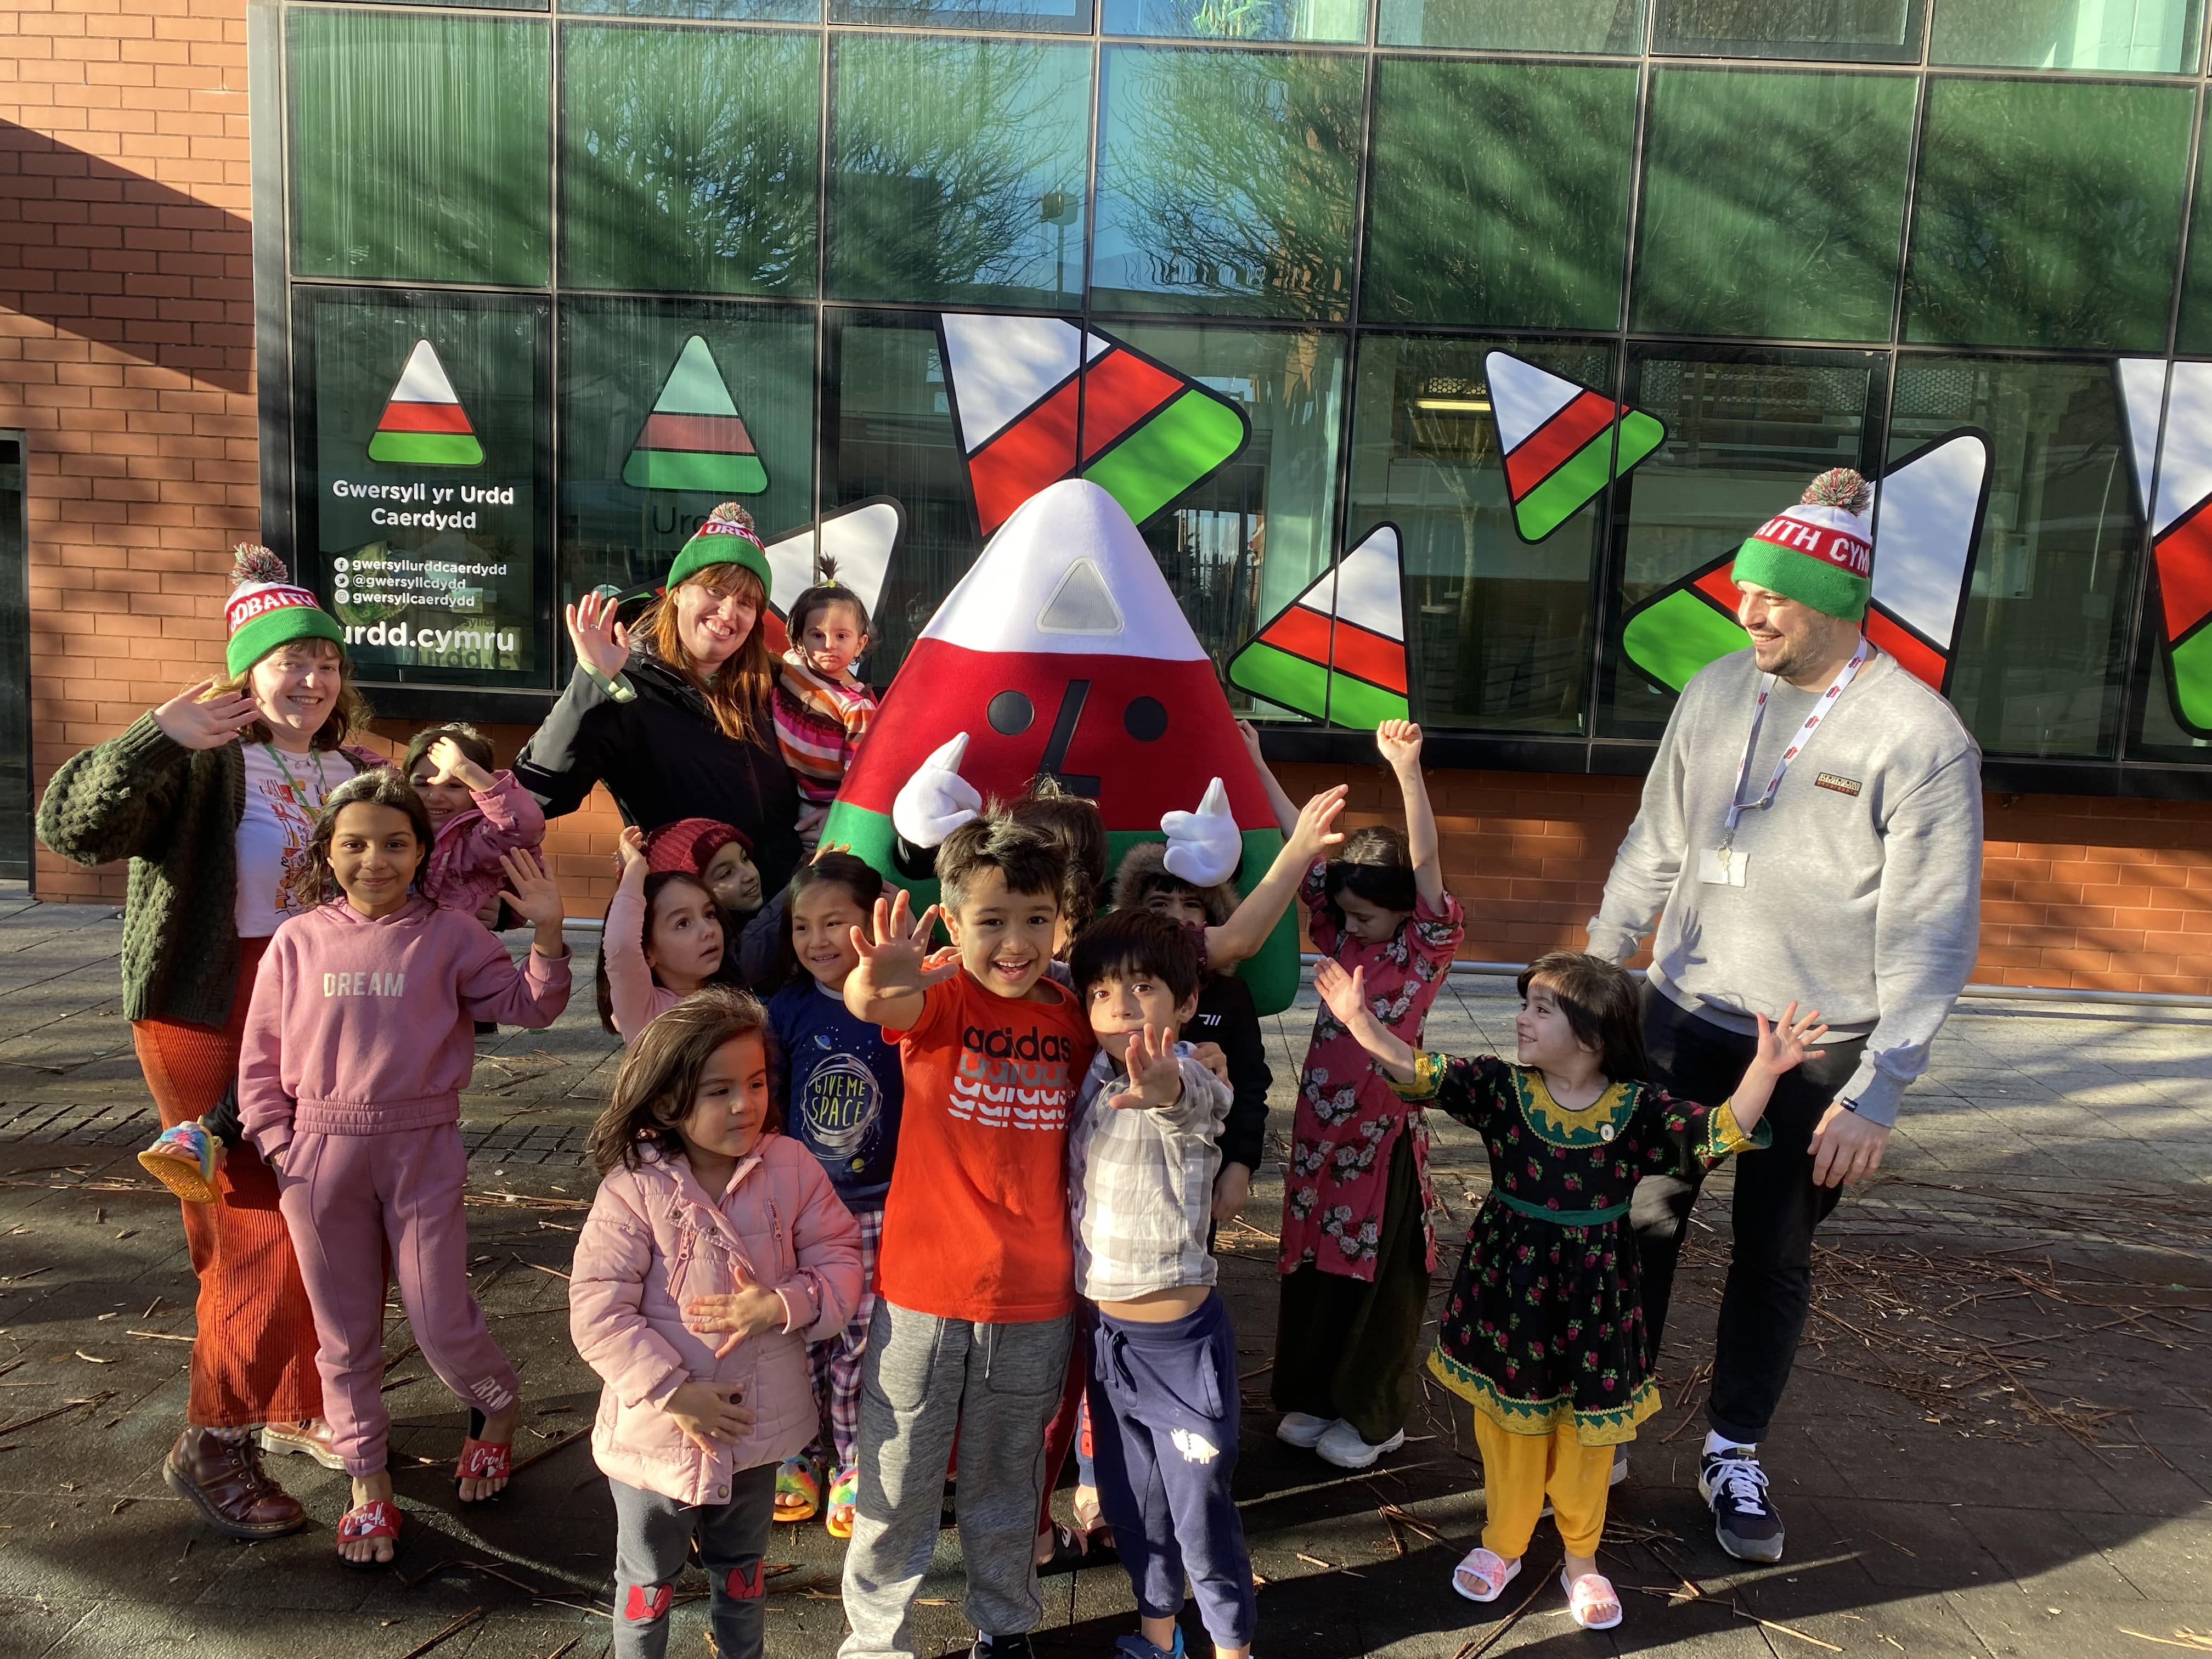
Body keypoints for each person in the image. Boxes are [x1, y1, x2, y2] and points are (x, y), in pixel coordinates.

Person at [1587, 468, 1983, 1563]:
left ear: (1838, 601)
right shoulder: (1717, 691)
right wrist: (1585, 965)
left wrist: (1880, 1089)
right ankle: (1611, 1415)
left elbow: (1933, 935)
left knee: (1773, 1253)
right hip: (1684, 1015)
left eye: (1774, 595)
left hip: (1818, 1051)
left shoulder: (1918, 735)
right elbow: (1656, 838)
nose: (1748, 611)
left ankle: (1734, 1450)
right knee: (1643, 1218)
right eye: (1744, 591)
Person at [1313, 951, 1825, 1631]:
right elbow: (1418, 1071)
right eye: (1525, 1004)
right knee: (1509, 1424)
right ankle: (1505, 1541)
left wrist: (1764, 1070)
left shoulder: (1636, 1110)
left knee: (1587, 1435)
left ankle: (1582, 1560)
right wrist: (1357, 1019)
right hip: (1511, 1288)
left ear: (1593, 1036)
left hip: (1596, 1296)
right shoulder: (1501, 1090)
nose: (1521, 1019)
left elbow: (1717, 1132)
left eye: (1540, 1009)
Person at [38, 543, 379, 1534]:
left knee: (321, 1209)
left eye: (325, 661)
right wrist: (154, 735)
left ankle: (297, 1396)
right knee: (260, 1221)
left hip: (325, 1001)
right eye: (287, 661)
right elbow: (73, 825)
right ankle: (215, 1436)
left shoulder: (354, 764)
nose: (309, 679)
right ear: (247, 669)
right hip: (207, 1001)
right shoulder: (198, 760)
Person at [237, 770, 572, 1562]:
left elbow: (530, 1006)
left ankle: (496, 1406)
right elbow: (261, 1059)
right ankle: (366, 1479)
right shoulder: (298, 940)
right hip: (317, 1159)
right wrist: (281, 1146)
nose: (375, 860)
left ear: (423, 849)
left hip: (421, 1147)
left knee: (438, 1316)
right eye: (354, 844)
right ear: (329, 851)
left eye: (396, 843)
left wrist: (551, 935)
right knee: (344, 1336)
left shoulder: (452, 935)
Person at [837, 814, 1092, 1659]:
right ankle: (875, 1640)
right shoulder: (940, 995)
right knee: (896, 1480)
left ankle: (1005, 1626)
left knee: (1009, 1480)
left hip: (1036, 1299)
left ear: (1062, 918)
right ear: (952, 924)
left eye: (1034, 919)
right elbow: (881, 1002)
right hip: (922, 1294)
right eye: (991, 921)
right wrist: (877, 979)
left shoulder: (1074, 1017)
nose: (1015, 943)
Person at [571, 988, 862, 1659]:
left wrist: (786, 1302)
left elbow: (841, 1258)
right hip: (656, 1442)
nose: (745, 1104)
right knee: (646, 1581)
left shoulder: (790, 1167)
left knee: (743, 1571)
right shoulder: (634, 1188)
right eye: (719, 1090)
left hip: (758, 1431)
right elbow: (597, 1309)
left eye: (756, 1083)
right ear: (669, 1100)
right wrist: (674, 1393)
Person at [1269, 719, 1463, 1471]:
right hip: (1322, 1140)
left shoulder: (1423, 946)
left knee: (1375, 1279)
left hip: (1382, 1151)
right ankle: (1317, 1396)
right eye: (1343, 913)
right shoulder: (1348, 936)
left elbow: (1427, 862)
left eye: (1364, 914)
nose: (1346, 925)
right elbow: (1308, 849)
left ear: (1404, 911)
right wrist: (1256, 761)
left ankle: (1374, 1413)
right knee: (1315, 1265)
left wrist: (1408, 771)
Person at [1066, 911, 1253, 1659]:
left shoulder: (1194, 1078)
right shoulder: (1091, 1074)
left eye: (1143, 987)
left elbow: (1191, 1104)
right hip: (1108, 1342)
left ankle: (1233, 1646)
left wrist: (1172, 1077)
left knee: (1200, 1511)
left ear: (1183, 1004)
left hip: (1180, 1348)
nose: (1120, 1003)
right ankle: (1158, 1637)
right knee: (1135, 1504)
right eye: (1103, 989)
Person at [517, 501, 803, 901]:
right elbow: (535, 798)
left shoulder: (775, 685)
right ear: (677, 593)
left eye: (745, 602)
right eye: (716, 590)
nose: (727, 612)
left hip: (781, 921)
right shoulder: (626, 685)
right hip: (680, 936)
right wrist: (591, 683)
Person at [765, 853, 904, 1536]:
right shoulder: (786, 1010)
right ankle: (797, 1453)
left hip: (879, 1207)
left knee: (859, 1339)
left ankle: (852, 1463)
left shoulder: (900, 1005)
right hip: (800, 1211)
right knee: (798, 1335)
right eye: (802, 926)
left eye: (836, 923)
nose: (817, 941)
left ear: (871, 922)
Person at [1110, 843, 1273, 1234]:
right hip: (1121, 1166)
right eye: (1159, 904)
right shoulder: (1114, 995)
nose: (1176, 918)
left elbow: (1251, 1086)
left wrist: (1240, 1167)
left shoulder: (1232, 998)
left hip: (1201, 1171)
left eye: (1192, 906)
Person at [599, 826, 738, 1042]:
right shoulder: (645, 1012)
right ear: (647, 953)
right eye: (683, 924)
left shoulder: (734, 999)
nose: (708, 931)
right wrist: (634, 870)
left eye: (709, 914)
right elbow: (621, 945)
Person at [775, 567, 879, 847]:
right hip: (792, 796)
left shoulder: (858, 708)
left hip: (827, 808)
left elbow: (859, 777)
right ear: (799, 643)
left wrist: (837, 815)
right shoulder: (790, 666)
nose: (829, 645)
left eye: (842, 636)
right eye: (817, 635)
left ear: (860, 644)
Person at [402, 721, 547, 919]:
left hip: (459, 946)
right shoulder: (394, 827)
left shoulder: (480, 838)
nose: (435, 796)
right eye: (422, 784)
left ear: (477, 790)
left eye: (454, 786)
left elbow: (524, 826)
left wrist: (463, 768)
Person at [642, 816, 785, 988]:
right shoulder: (723, 947)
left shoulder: (758, 911)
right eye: (726, 874)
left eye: (745, 859)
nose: (750, 875)